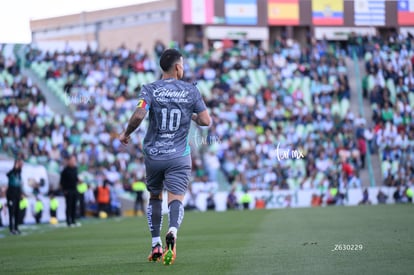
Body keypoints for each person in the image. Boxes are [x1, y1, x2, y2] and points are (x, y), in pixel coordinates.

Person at [119, 48, 211, 265]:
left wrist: (126, 133)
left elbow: (140, 114)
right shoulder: (191, 90)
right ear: (178, 67)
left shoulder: (149, 89)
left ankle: (155, 243)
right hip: (179, 155)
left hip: (154, 155)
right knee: (176, 198)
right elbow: (206, 121)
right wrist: (193, 116)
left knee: (154, 197)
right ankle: (173, 230)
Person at [60, 155, 80, 227]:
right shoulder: (65, 170)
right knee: (69, 206)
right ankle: (68, 221)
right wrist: (64, 190)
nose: (73, 162)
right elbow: (62, 182)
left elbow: (76, 179)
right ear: (69, 161)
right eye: (72, 160)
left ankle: (73, 220)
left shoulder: (75, 169)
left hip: (74, 189)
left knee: (74, 205)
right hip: (68, 190)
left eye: (74, 160)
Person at [6, 158, 23, 234]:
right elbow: (8, 175)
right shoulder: (11, 172)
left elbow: (19, 184)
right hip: (11, 195)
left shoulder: (19, 173)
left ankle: (16, 228)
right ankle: (11, 229)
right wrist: (14, 168)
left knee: (17, 212)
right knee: (11, 212)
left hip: (17, 195)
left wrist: (20, 194)